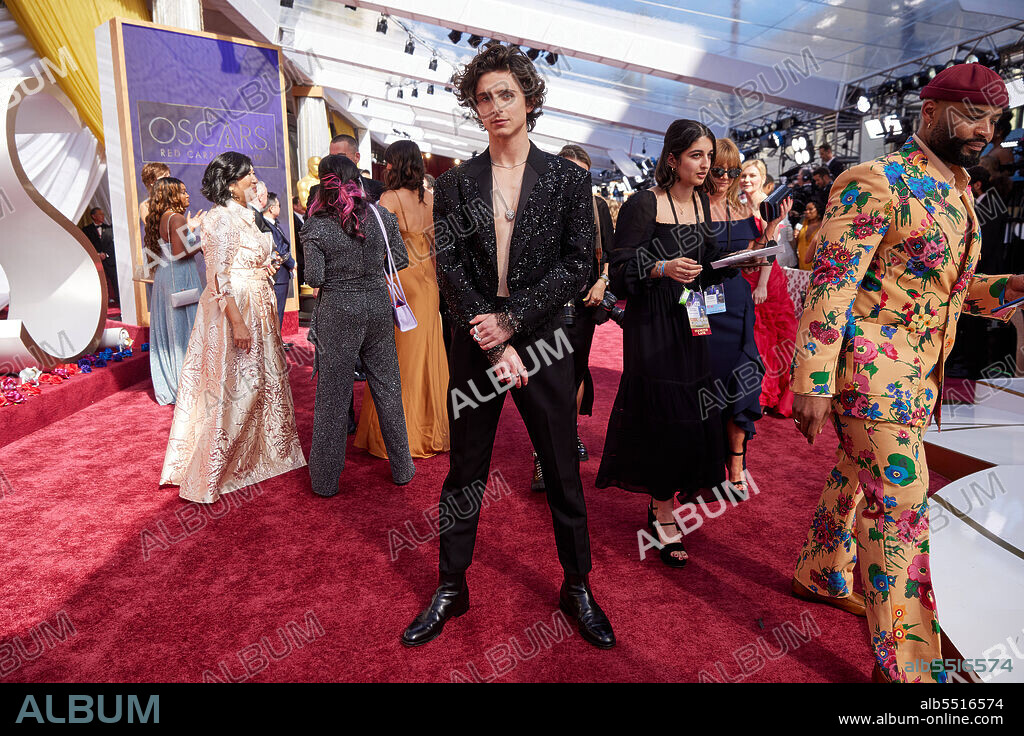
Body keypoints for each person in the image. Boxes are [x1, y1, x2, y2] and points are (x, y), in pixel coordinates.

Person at [789, 64, 1024, 683]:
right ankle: (912, 673)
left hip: (917, 380)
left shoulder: (958, 188)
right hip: (868, 377)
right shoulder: (876, 180)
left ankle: (821, 570)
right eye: (973, 115)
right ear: (930, 112)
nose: (985, 131)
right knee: (901, 513)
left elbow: (941, 288)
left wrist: (1012, 288)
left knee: (852, 477)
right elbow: (831, 283)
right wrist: (811, 382)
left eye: (993, 120)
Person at [401, 41, 613, 650]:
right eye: (484, 98)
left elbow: (579, 263)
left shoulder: (570, 179)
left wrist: (514, 322)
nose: (494, 107)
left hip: (544, 342)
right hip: (475, 342)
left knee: (562, 470)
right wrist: (492, 338)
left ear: (529, 99)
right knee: (464, 470)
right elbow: (451, 264)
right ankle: (451, 585)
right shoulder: (459, 182)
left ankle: (578, 587)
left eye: (506, 95)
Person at [596, 119, 734, 567]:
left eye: (709, 156)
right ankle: (661, 508)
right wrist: (660, 268)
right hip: (652, 322)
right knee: (659, 411)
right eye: (697, 155)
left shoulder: (700, 202)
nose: (705, 164)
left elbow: (704, 266)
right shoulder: (642, 203)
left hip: (692, 319)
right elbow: (619, 270)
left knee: (691, 410)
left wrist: (738, 263)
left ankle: (666, 499)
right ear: (672, 159)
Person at [160, 152, 306, 503]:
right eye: (249, 175)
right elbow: (218, 277)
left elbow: (244, 260)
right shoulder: (219, 219)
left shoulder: (245, 217)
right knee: (240, 385)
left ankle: (260, 454)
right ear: (230, 183)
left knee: (263, 382)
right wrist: (238, 323)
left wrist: (263, 269)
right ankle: (214, 466)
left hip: (258, 307)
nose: (255, 180)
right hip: (235, 312)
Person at [303, 153, 415, 494]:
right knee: (388, 388)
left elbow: (315, 277)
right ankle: (402, 468)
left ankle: (324, 481)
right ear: (357, 179)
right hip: (378, 306)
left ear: (323, 182)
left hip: (338, 309)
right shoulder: (382, 216)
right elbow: (400, 260)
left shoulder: (317, 225)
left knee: (333, 397)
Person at [355, 139, 450, 460]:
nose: (387, 166)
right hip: (427, 286)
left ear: (397, 164)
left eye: (389, 161)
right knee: (426, 358)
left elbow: (372, 246)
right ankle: (428, 429)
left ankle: (398, 437)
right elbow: (438, 252)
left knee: (394, 361)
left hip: (397, 285)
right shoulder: (433, 200)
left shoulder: (389, 199)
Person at [529, 143, 614, 492]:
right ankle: (541, 454)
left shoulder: (598, 207)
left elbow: (610, 253)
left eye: (580, 173)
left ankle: (569, 435)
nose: (573, 178)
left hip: (583, 305)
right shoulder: (538, 205)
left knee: (576, 369)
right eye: (567, 170)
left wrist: (602, 280)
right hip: (547, 305)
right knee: (547, 376)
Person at [705, 138, 765, 495]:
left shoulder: (742, 210)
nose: (727, 177)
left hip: (737, 302)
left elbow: (756, 259)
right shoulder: (690, 208)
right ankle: (708, 464)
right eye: (719, 170)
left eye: (733, 171)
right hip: (701, 303)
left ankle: (737, 462)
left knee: (743, 381)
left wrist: (766, 239)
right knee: (708, 385)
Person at [738, 159, 798, 418]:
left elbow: (770, 247)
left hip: (766, 279)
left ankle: (767, 395)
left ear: (762, 177)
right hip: (744, 275)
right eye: (742, 175)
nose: (746, 180)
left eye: (751, 175)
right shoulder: (739, 206)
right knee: (753, 337)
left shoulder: (768, 206)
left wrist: (762, 284)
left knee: (769, 338)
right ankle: (757, 393)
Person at [144, 177, 203, 405]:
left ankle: (174, 378)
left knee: (173, 329)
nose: (188, 195)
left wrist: (190, 229)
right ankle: (187, 383)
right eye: (183, 192)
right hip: (180, 278)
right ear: (171, 195)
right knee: (184, 329)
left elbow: (168, 250)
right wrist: (203, 242)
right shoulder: (176, 217)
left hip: (166, 276)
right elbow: (180, 252)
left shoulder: (162, 217)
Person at [263, 192, 296, 349]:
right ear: (271, 208)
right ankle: (275, 343)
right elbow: (279, 249)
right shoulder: (266, 225)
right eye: (278, 205)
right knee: (275, 311)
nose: (280, 208)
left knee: (279, 310)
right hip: (276, 274)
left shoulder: (274, 224)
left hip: (281, 274)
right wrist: (292, 263)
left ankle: (278, 340)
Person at [82, 207, 119, 306]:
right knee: (99, 282)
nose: (102, 216)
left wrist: (106, 254)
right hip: (95, 260)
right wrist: (97, 254)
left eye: (103, 214)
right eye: (100, 214)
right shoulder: (86, 230)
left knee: (115, 280)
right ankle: (102, 303)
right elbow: (86, 244)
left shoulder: (109, 228)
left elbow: (113, 245)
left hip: (109, 260)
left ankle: (119, 301)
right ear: (93, 216)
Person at [794, 200, 823, 272]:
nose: (807, 212)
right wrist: (795, 236)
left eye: (810, 209)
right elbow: (797, 242)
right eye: (806, 209)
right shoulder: (803, 222)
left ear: (818, 210)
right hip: (801, 264)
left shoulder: (823, 225)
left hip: (816, 266)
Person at [292, 195, 306, 285]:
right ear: (295, 206)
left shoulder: (304, 217)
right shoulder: (293, 219)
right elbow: (298, 239)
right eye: (301, 204)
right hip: (300, 257)